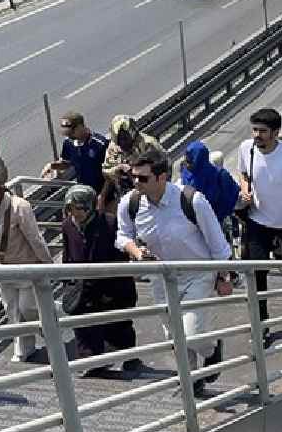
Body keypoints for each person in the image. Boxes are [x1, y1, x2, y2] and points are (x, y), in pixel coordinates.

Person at [116, 151, 232, 395]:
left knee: (191, 333)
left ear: (162, 177)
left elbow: (218, 244)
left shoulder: (192, 201)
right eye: (133, 178)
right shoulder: (131, 203)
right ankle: (192, 380)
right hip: (161, 277)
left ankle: (212, 350)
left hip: (197, 274)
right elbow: (122, 235)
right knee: (174, 335)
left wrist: (223, 277)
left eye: (143, 179)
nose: (136, 183)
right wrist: (136, 252)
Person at [0, 167, 54, 363]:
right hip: (1, 270)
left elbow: (35, 239)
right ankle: (23, 349)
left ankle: (52, 329)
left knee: (28, 308)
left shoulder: (18, 207)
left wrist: (48, 266)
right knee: (12, 310)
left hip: (26, 268)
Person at [236, 108, 282, 333]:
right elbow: (243, 173)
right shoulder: (246, 149)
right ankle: (261, 322)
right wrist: (245, 188)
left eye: (263, 131)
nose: (257, 135)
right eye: (255, 130)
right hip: (258, 222)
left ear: (276, 133)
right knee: (256, 272)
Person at [60, 185, 141, 377]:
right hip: (81, 286)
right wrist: (67, 282)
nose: (75, 213)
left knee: (118, 325)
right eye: (71, 209)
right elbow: (67, 255)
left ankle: (130, 356)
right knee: (83, 325)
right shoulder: (67, 225)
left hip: (112, 285)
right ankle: (92, 361)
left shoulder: (110, 223)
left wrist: (113, 288)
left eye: (79, 208)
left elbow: (121, 258)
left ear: (89, 207)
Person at [42, 111, 109, 193]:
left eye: (71, 133)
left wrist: (102, 197)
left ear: (80, 127)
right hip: (85, 191)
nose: (69, 136)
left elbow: (110, 174)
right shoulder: (69, 143)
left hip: (104, 191)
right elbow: (67, 163)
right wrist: (52, 166)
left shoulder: (100, 144)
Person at [180, 141, 240, 228]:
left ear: (199, 160)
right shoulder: (185, 172)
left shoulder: (220, 176)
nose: (187, 164)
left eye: (190, 161)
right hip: (196, 226)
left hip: (219, 224)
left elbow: (231, 200)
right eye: (186, 160)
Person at [103, 114, 163, 190]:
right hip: (127, 191)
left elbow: (165, 164)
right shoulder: (113, 148)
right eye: (120, 138)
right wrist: (118, 169)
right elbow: (106, 171)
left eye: (125, 137)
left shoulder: (148, 143)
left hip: (152, 187)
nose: (123, 142)